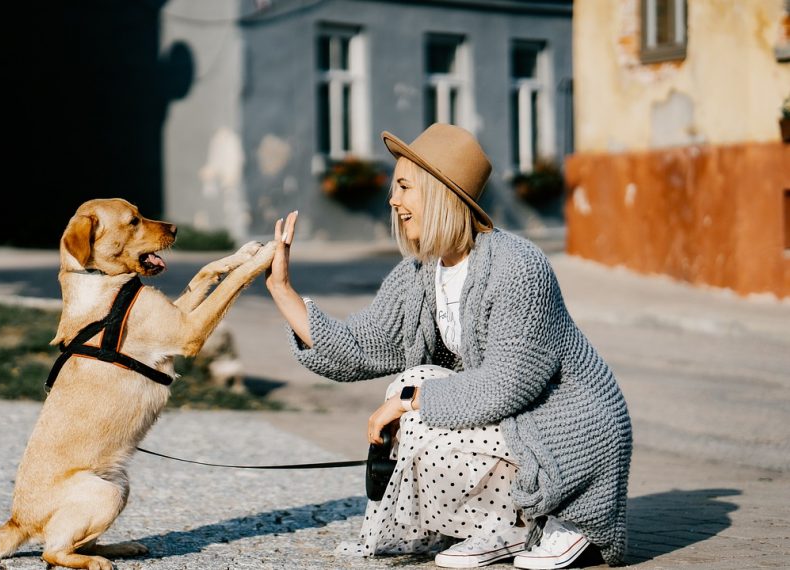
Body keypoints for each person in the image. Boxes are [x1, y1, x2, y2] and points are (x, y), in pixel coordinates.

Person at [264, 124, 631, 569]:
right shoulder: (421, 272)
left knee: (414, 399)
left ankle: (559, 518)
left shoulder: (518, 267)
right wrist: (283, 290)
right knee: (412, 383)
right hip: (515, 423)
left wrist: (407, 403)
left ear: (439, 192)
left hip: (569, 431)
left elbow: (506, 385)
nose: (392, 200)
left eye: (404, 187)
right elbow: (361, 346)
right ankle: (500, 527)